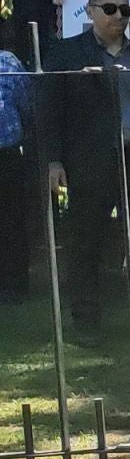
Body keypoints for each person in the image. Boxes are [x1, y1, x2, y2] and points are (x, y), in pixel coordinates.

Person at [37, 0, 130, 333]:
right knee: (86, 242)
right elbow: (49, 112)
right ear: (90, 11)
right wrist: (54, 161)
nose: (119, 16)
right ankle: (86, 321)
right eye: (110, 9)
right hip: (88, 160)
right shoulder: (66, 55)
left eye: (126, 10)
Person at [0, 48, 33, 303]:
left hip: (7, 153)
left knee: (11, 218)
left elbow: (28, 103)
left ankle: (14, 285)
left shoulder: (9, 62)